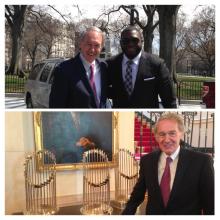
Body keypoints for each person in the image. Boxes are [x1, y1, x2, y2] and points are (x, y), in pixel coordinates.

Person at [122, 112, 214, 215]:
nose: (166, 139)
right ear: (156, 136)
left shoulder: (202, 162)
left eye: (172, 133)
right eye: (162, 134)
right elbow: (136, 196)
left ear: (181, 134)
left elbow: (211, 205)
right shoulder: (147, 161)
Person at [107, 26, 177, 108]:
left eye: (135, 40)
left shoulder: (157, 64)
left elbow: (169, 100)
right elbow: (102, 90)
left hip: (147, 118)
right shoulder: (110, 64)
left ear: (142, 41)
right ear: (121, 42)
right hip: (120, 118)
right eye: (126, 40)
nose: (130, 44)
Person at [49, 26, 109, 108]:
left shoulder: (104, 68)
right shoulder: (64, 70)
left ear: (101, 47)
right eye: (89, 44)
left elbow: (102, 101)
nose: (92, 49)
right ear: (81, 44)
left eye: (97, 45)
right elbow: (56, 107)